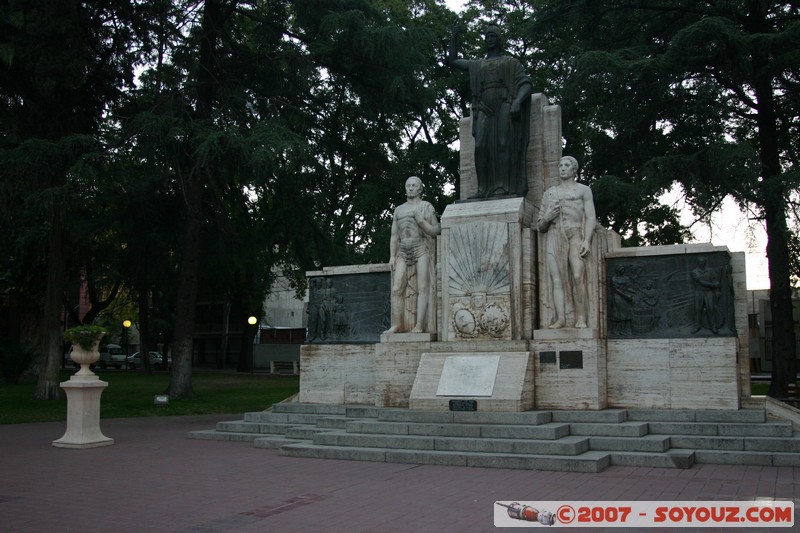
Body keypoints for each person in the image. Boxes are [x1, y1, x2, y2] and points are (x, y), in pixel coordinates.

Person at [448, 23, 533, 199]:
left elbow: (526, 84)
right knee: (480, 147)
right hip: (483, 109)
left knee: (503, 144)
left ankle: (502, 187)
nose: (490, 39)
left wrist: (517, 101)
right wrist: (454, 38)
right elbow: (453, 61)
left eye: (493, 36)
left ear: (499, 40)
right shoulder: (477, 64)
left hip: (504, 104)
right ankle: (482, 189)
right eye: (487, 37)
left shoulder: (511, 63)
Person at [537, 156, 596, 328]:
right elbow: (540, 225)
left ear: (574, 170)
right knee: (557, 279)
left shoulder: (583, 190)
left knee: (578, 276)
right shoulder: (549, 193)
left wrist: (587, 240)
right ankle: (561, 318)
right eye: (560, 165)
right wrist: (547, 218)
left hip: (575, 234)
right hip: (555, 235)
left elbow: (591, 216)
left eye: (566, 165)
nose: (562, 168)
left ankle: (581, 318)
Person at [384, 176, 441, 333]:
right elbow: (394, 236)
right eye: (408, 185)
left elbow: (436, 231)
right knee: (396, 288)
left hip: (420, 247)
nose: (410, 188)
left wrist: (421, 221)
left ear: (420, 189)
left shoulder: (426, 207)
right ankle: (397, 324)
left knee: (423, 287)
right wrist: (392, 256)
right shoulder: (398, 210)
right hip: (403, 250)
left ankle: (419, 325)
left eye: (414, 185)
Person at [690, 257, 720, 334]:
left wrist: (715, 286)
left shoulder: (710, 271)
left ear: (705, 262)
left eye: (703, 262)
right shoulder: (694, 272)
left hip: (709, 292)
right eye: (700, 262)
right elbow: (702, 282)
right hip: (699, 293)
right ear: (698, 263)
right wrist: (713, 285)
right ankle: (696, 326)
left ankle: (713, 326)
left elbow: (717, 282)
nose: (701, 263)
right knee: (697, 310)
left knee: (711, 309)